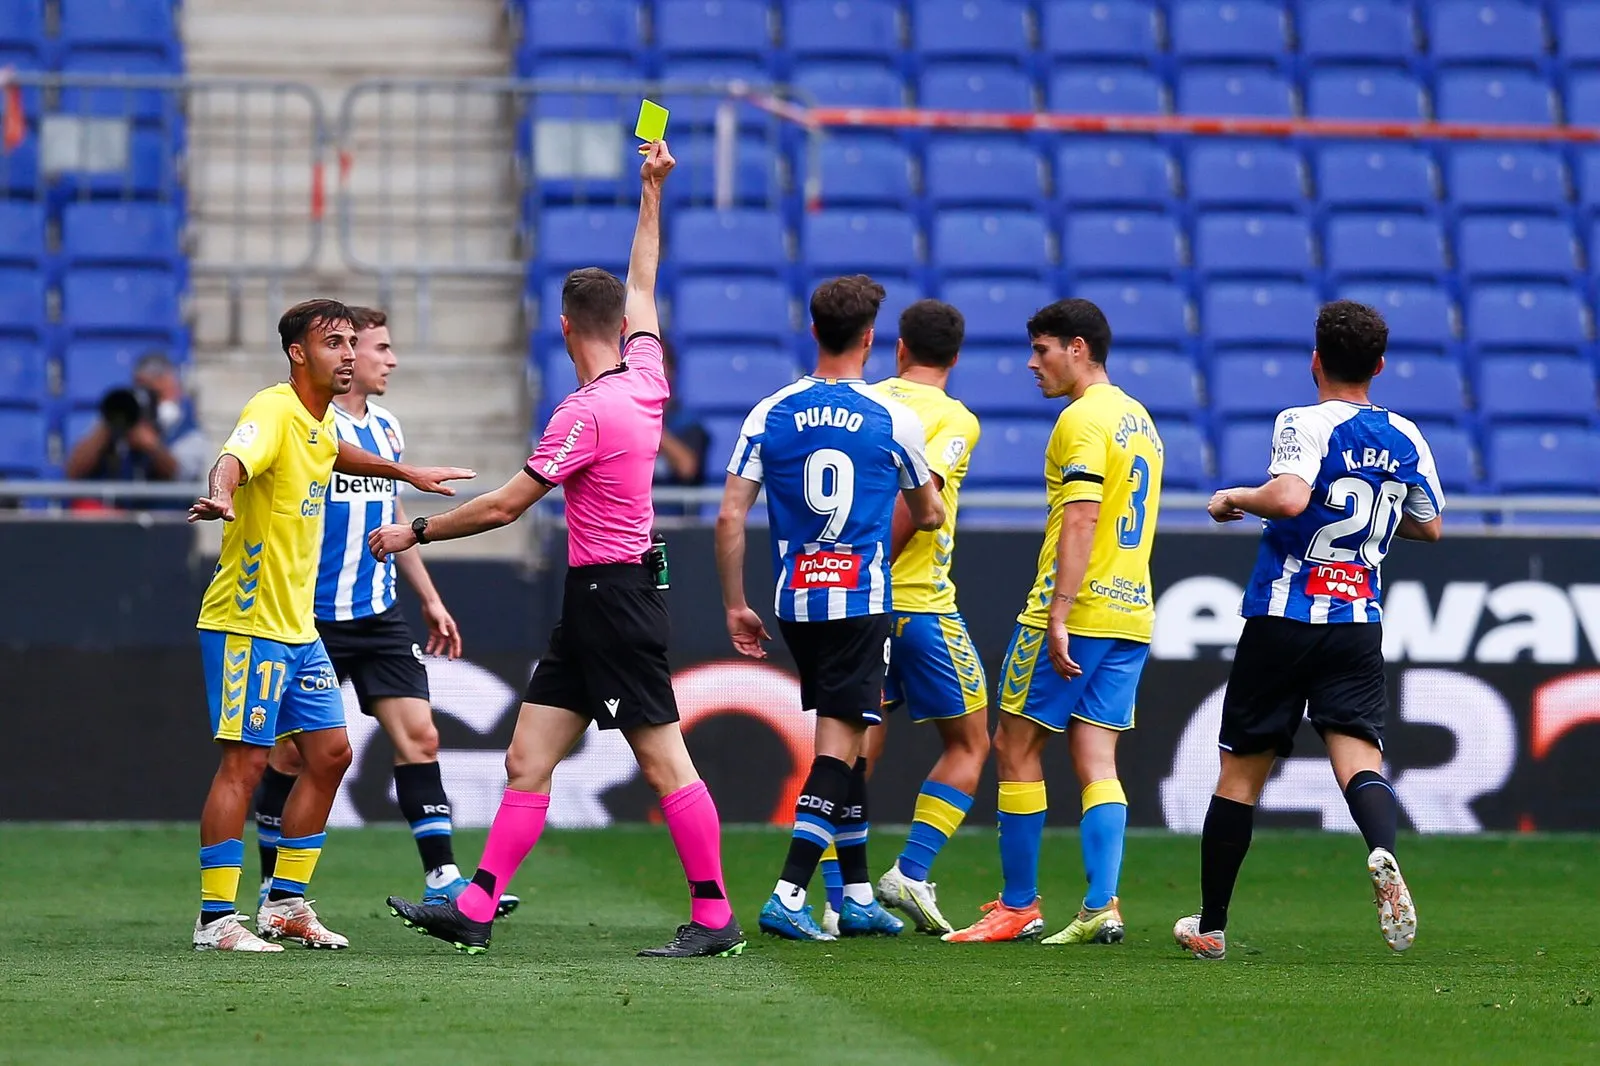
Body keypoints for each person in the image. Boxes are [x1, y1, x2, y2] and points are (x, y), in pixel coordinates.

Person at [377, 141, 745, 960]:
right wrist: (652, 190)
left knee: (663, 763)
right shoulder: (647, 375)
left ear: (565, 325)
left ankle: (716, 918)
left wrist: (417, 530)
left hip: (612, 600)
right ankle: (474, 907)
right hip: (600, 599)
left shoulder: (583, 413)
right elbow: (644, 280)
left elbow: (509, 505)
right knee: (526, 755)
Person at [189, 298, 472, 952]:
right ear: (298, 353)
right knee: (246, 764)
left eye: (353, 342)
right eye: (334, 343)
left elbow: (335, 454)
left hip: (298, 628)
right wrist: (226, 491)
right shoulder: (272, 408)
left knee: (331, 753)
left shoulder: (316, 426)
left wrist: (405, 471)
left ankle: (285, 903)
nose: (349, 353)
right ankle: (215, 920)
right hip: (247, 620)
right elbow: (236, 456)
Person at [1173, 300, 1443, 961]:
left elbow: (1290, 498)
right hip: (1357, 621)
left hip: (1285, 613)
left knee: (1240, 773)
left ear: (1315, 360)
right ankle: (1381, 849)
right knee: (1360, 757)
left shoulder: (1303, 420)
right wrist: (1375, 517)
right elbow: (1430, 524)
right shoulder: (1406, 435)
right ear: (1379, 366)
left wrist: (1234, 497)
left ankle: (1210, 926)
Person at [248, 306, 517, 918]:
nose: (387, 359)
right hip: (307, 616)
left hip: (377, 613)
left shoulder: (388, 429)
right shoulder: (307, 425)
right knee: (292, 755)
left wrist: (428, 595)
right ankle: (273, 886)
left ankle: (443, 877)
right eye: (379, 348)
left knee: (421, 736)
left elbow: (390, 520)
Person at [715, 274, 946, 942]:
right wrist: (918, 500)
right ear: (872, 339)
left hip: (797, 601)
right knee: (842, 751)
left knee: (845, 746)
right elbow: (928, 513)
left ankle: (856, 896)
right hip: (860, 600)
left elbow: (731, 515)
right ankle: (790, 892)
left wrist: (735, 603)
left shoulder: (770, 412)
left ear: (813, 330)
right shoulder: (894, 419)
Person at [946, 298, 1163, 947]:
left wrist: (1061, 612)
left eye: (1041, 350)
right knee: (1097, 756)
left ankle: (1018, 905)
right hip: (1131, 610)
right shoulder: (1139, 419)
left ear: (1076, 346)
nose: (1031, 364)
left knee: (1015, 744)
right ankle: (1102, 903)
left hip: (1074, 609)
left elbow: (1083, 517)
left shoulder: (1081, 420)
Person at [812, 299, 987, 937]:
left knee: (851, 754)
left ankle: (837, 899)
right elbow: (922, 503)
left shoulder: (866, 401)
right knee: (971, 743)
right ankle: (909, 872)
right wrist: (874, 563)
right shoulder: (956, 419)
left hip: (851, 602)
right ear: (956, 358)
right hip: (917, 603)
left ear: (898, 348)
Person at [64, 352, 211, 490]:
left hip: (167, 515)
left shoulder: (188, 431)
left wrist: (152, 446)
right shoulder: (116, 420)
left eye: (155, 394)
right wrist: (109, 426)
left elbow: (182, 475)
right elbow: (74, 471)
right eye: (142, 388)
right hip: (118, 514)